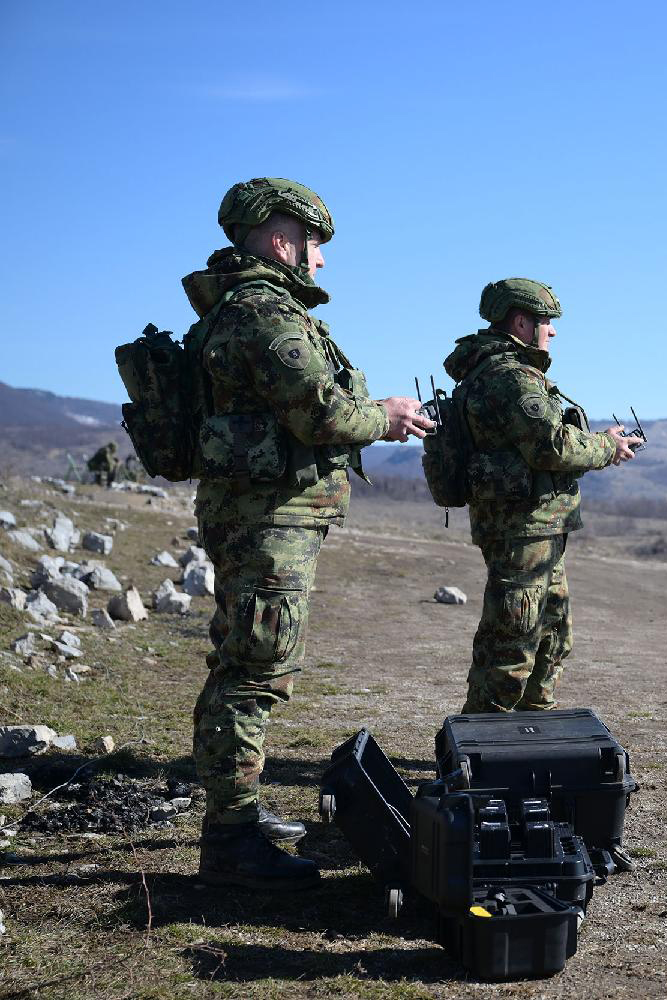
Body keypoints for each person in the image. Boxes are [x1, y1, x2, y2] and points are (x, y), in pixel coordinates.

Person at [184, 177, 433, 889]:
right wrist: (383, 417)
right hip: (267, 522)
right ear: (281, 237)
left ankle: (237, 820)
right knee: (253, 674)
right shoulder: (265, 312)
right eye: (314, 243)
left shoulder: (256, 308)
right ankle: (231, 844)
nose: (319, 260)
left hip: (267, 517)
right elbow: (318, 413)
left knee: (250, 668)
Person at [444, 278, 641, 714]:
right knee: (512, 641)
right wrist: (607, 447)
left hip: (538, 525)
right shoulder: (510, 378)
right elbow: (551, 446)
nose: (551, 331)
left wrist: (599, 441)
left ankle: (535, 732)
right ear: (521, 321)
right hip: (522, 528)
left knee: (551, 632)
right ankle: (481, 744)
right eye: (546, 321)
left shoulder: (501, 372)